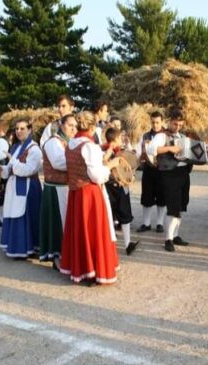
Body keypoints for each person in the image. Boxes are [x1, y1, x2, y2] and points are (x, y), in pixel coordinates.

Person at [60, 111, 119, 284]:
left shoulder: (71, 144)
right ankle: (94, 269)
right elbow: (96, 175)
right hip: (90, 193)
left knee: (80, 231)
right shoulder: (90, 146)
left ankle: (82, 267)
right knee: (93, 231)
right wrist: (110, 167)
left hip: (76, 192)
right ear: (93, 127)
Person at [146, 108, 191, 252]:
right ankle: (168, 239)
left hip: (184, 173)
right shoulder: (162, 136)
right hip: (170, 174)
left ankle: (176, 235)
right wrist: (170, 148)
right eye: (174, 124)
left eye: (179, 125)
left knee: (181, 206)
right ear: (169, 122)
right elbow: (152, 150)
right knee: (173, 207)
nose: (177, 127)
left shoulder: (183, 136)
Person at [39, 113, 78, 271]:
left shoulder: (70, 142)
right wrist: (80, 162)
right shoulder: (53, 142)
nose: (73, 129)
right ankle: (57, 256)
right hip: (56, 189)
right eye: (70, 125)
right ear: (61, 125)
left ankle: (67, 255)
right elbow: (59, 163)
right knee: (58, 224)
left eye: (75, 126)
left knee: (67, 223)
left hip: (66, 188)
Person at [0, 118, 42, 258]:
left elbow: (28, 170)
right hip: (15, 185)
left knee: (25, 216)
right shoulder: (16, 147)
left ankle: (26, 248)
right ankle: (15, 245)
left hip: (29, 187)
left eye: (22, 128)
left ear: (30, 130)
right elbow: (12, 168)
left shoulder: (34, 149)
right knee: (13, 212)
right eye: (17, 129)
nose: (19, 131)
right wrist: (1, 169)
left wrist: (12, 161)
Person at [103, 127, 140, 256]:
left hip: (115, 187)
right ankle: (121, 244)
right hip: (113, 186)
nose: (122, 140)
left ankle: (123, 244)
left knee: (118, 215)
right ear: (116, 139)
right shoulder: (106, 151)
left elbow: (130, 167)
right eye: (120, 138)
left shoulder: (119, 151)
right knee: (116, 216)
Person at [136, 111, 166, 233]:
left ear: (162, 122)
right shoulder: (145, 136)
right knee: (147, 197)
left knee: (162, 197)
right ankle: (146, 223)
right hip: (148, 170)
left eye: (158, 122)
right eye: (153, 122)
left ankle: (160, 223)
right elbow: (138, 151)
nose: (155, 125)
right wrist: (140, 156)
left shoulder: (167, 136)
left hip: (162, 170)